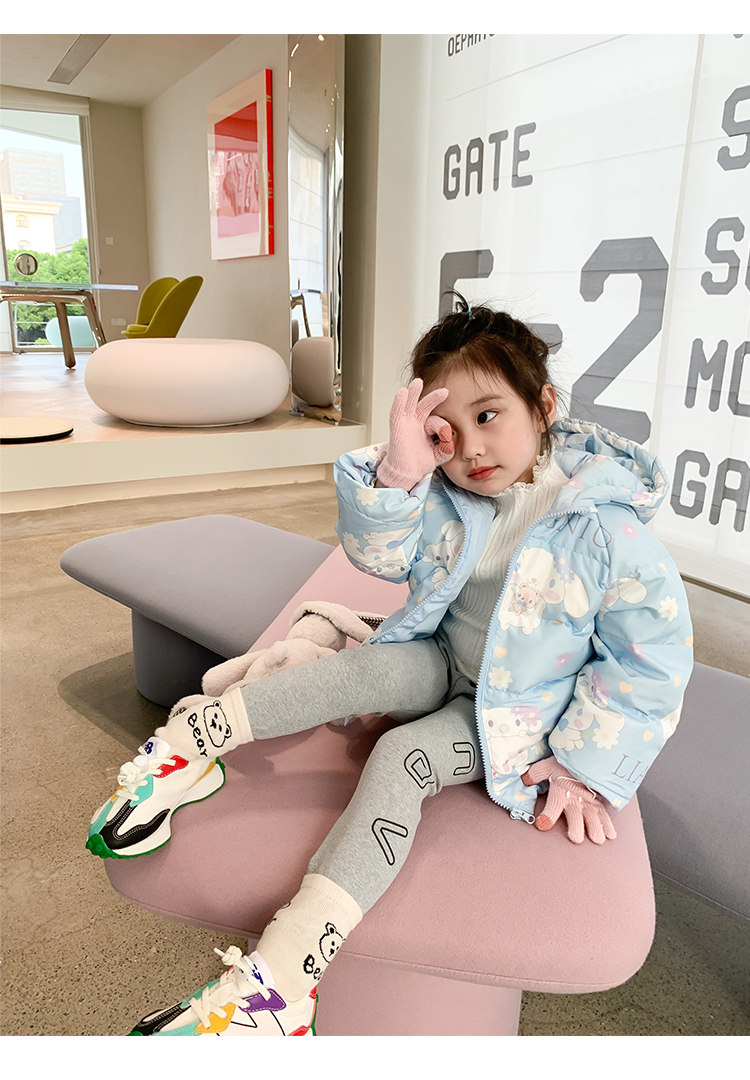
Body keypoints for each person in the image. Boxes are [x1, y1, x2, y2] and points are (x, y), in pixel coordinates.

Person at [87, 294, 693, 1036]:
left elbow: (650, 660)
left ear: (543, 406)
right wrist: (401, 475)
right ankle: (192, 744)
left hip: (514, 712)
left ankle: (281, 987)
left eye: (489, 415)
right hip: (441, 656)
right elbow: (377, 557)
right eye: (448, 431)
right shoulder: (448, 492)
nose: (471, 449)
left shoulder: (607, 531)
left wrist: (583, 764)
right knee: (362, 673)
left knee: (403, 757)